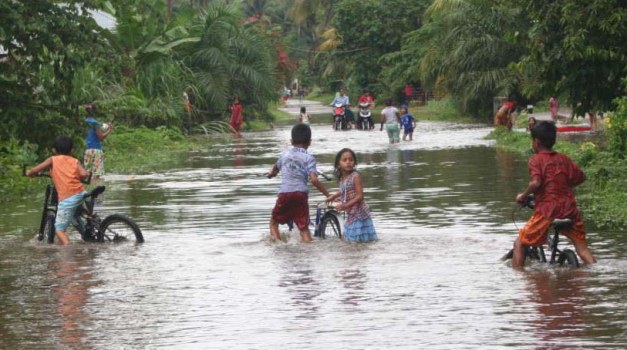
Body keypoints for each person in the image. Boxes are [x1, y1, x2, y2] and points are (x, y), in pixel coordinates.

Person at [511, 121, 596, 268]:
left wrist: (523, 196)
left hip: (547, 210)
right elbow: (581, 177)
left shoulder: (536, 160)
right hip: (570, 209)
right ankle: (598, 271)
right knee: (582, 249)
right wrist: (563, 186)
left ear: (536, 142)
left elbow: (536, 183)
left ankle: (517, 276)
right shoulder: (564, 159)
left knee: (520, 242)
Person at [267, 123, 331, 242]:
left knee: (274, 222)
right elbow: (314, 179)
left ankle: (278, 247)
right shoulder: (309, 158)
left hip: (285, 194)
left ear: (291, 141)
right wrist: (328, 195)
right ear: (310, 142)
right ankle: (308, 249)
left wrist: (271, 174)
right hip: (301, 194)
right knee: (303, 228)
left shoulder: (284, 155)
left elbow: (274, 170)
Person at [26, 136, 90, 245]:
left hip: (68, 197)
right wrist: (75, 176)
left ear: (54, 150)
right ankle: (90, 217)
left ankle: (67, 251)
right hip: (81, 193)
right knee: (80, 207)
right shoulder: (75, 161)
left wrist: (29, 173)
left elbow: (35, 170)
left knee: (59, 230)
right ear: (72, 150)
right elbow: (84, 174)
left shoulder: (52, 159)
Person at [327, 148, 378, 242]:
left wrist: (344, 205)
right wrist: (334, 196)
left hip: (359, 213)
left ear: (354, 163)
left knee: (353, 240)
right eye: (345, 160)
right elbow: (344, 190)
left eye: (351, 160)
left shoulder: (355, 176)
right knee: (353, 240)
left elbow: (360, 196)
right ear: (338, 165)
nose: (348, 162)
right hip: (351, 212)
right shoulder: (343, 178)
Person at [83, 103, 112, 180]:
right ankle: (95, 189)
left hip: (87, 150)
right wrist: (109, 130)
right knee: (96, 175)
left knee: (88, 174)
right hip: (96, 150)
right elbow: (100, 137)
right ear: (94, 112)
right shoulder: (95, 123)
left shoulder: (84, 122)